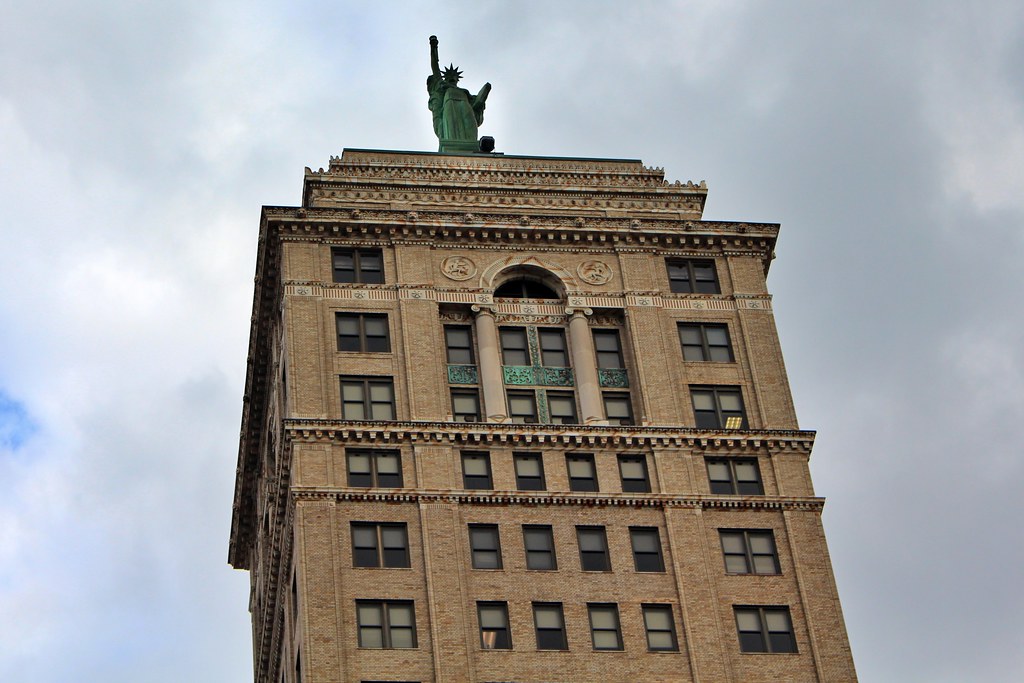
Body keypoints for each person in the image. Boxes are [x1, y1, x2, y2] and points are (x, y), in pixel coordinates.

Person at [427, 35, 491, 149]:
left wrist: (483, 97)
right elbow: (435, 66)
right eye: (449, 77)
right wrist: (433, 47)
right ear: (445, 78)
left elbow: (477, 105)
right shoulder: (443, 87)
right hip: (450, 104)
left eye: (454, 77)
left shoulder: (465, 92)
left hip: (466, 105)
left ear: (457, 79)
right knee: (452, 131)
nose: (452, 78)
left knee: (470, 127)